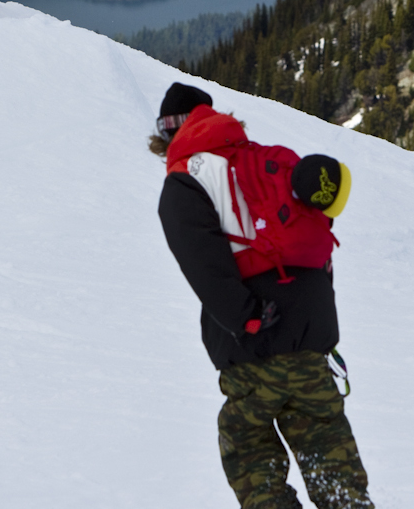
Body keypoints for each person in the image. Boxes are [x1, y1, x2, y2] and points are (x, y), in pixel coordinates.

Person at [152, 81, 373, 509]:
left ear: (169, 133)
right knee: (329, 453)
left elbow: (203, 261)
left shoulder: (186, 179)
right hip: (310, 333)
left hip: (256, 340)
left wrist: (246, 317)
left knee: (249, 448)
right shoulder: (262, 160)